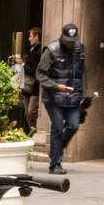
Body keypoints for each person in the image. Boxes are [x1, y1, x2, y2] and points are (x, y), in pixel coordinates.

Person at [37, 22, 86, 175]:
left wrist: (83, 95)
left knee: (73, 125)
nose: (70, 44)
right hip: (54, 97)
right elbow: (40, 74)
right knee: (57, 127)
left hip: (73, 95)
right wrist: (56, 86)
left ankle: (57, 149)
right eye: (67, 41)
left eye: (73, 41)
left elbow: (83, 73)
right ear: (61, 36)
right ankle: (55, 163)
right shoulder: (51, 50)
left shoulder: (79, 49)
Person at [19, 26, 43, 132]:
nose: (29, 38)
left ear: (37, 37)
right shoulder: (33, 50)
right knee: (27, 113)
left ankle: (37, 132)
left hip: (35, 86)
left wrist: (22, 64)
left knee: (31, 111)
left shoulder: (39, 51)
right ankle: (33, 133)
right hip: (28, 86)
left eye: (30, 36)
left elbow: (34, 70)